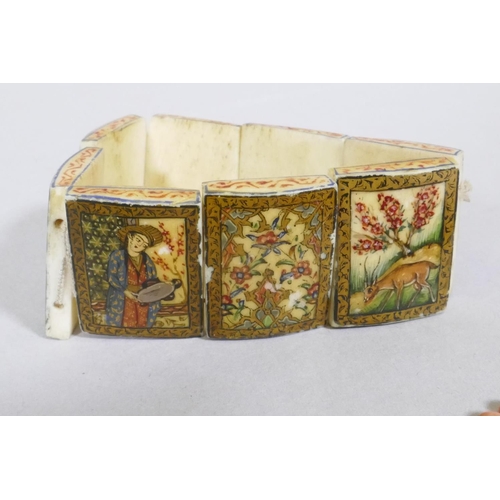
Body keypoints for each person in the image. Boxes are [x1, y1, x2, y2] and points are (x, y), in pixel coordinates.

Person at [106, 225, 163, 328]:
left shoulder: (147, 259)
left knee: (143, 322)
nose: (139, 245)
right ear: (130, 236)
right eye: (138, 240)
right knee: (125, 323)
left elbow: (152, 278)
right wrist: (126, 291)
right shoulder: (117, 255)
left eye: (144, 245)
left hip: (143, 298)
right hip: (123, 297)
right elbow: (112, 278)